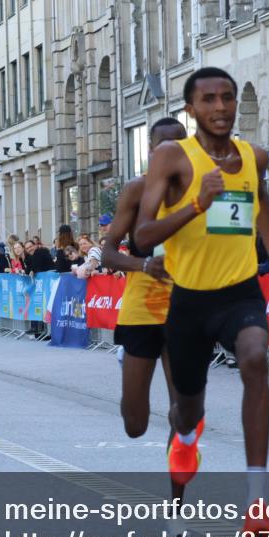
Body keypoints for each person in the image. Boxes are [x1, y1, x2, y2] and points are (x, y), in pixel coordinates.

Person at [133, 66, 269, 537]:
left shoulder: (253, 156)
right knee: (187, 412)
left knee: (254, 358)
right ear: (190, 109)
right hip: (188, 300)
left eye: (227, 97)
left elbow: (262, 202)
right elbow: (143, 238)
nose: (220, 107)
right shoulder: (172, 157)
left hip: (239, 292)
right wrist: (196, 205)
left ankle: (256, 506)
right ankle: (182, 469)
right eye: (207, 99)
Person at [102, 118, 189, 515]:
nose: (171, 152)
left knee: (184, 412)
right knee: (135, 424)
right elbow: (107, 252)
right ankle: (133, 400)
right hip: (141, 311)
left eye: (179, 145)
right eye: (163, 146)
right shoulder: (137, 190)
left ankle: (176, 509)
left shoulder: (200, 192)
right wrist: (141, 266)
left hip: (186, 310)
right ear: (151, 151)